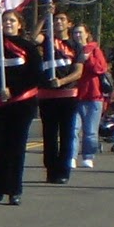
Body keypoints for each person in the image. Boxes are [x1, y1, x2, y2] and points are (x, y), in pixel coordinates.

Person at [0, 10, 41, 206]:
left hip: (21, 103)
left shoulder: (28, 47)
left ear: (19, 24)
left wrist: (13, 90)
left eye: (12, 20)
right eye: (4, 20)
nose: (8, 23)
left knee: (15, 147)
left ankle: (14, 189)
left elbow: (35, 75)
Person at [38, 12, 83, 183]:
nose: (58, 21)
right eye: (56, 19)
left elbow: (78, 72)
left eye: (62, 19)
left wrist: (62, 81)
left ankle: (63, 171)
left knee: (66, 134)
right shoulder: (47, 41)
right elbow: (33, 37)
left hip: (68, 94)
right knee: (49, 135)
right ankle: (51, 170)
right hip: (47, 95)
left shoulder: (76, 46)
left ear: (69, 24)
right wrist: (44, 17)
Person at [70, 24, 109, 170]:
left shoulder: (94, 49)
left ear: (87, 34)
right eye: (75, 33)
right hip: (75, 95)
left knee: (90, 131)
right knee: (73, 129)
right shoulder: (71, 50)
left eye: (80, 32)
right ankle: (71, 157)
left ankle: (88, 156)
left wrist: (88, 58)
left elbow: (101, 68)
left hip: (93, 96)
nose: (77, 35)